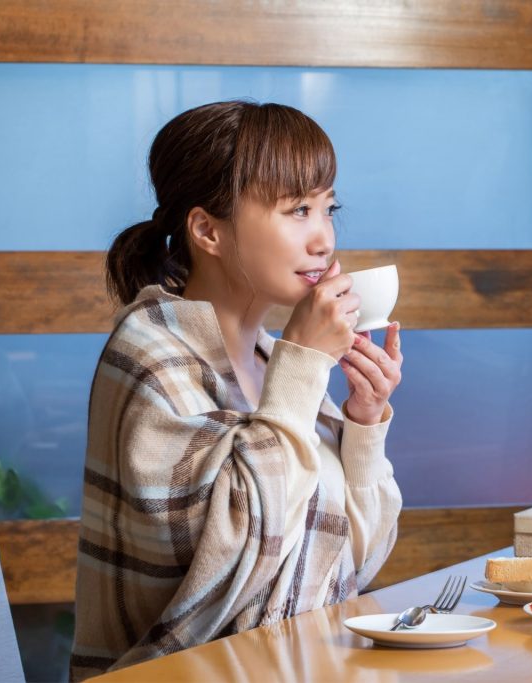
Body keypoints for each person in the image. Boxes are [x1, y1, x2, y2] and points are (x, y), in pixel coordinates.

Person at [70, 101, 403, 680]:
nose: (324, 239)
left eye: (328, 207)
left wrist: (363, 421)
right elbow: (229, 565)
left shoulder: (277, 363)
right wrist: (303, 367)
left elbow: (355, 562)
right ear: (207, 230)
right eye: (297, 209)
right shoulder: (149, 355)